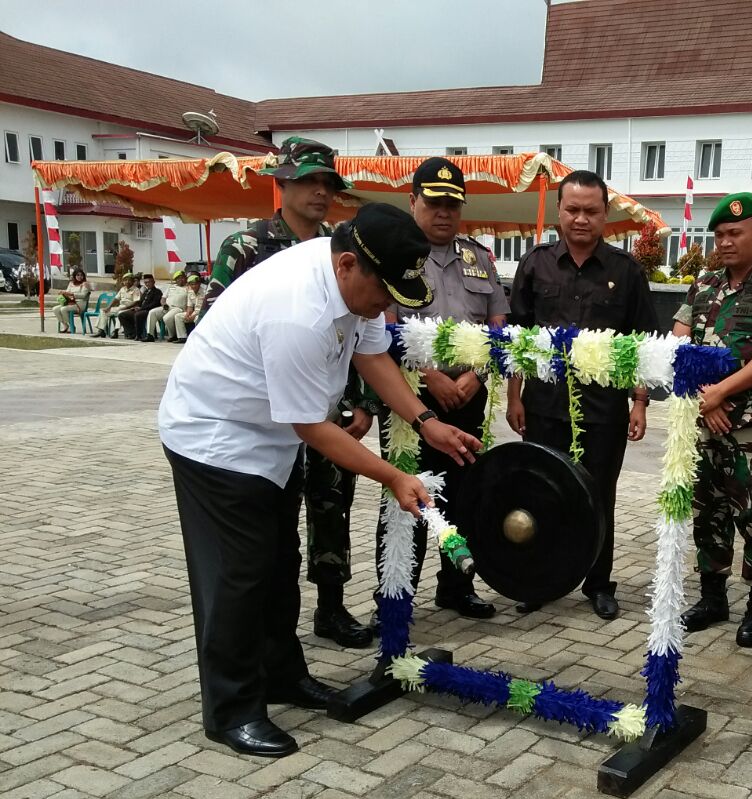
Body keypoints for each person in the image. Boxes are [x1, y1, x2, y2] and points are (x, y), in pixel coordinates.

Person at [158, 203, 482, 758]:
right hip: (216, 439)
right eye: (382, 293)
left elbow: (373, 354)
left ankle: (282, 676)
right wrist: (394, 476)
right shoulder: (297, 310)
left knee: (278, 563)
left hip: (270, 441)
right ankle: (231, 709)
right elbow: (311, 425)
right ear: (348, 265)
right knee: (237, 575)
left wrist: (425, 423)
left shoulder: (360, 280)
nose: (385, 305)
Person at [202, 136, 375, 648]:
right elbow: (214, 324)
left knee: (331, 504)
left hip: (330, 409)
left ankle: (331, 606)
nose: (320, 193)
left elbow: (359, 332)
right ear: (282, 183)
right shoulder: (247, 247)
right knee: (270, 525)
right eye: (309, 181)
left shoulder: (342, 247)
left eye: (328, 184)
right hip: (267, 414)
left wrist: (361, 400)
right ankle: (269, 631)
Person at [506, 169, 659, 620]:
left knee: (598, 496)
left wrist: (639, 401)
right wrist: (514, 397)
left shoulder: (626, 271)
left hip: (603, 409)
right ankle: (541, 579)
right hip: (544, 405)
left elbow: (643, 345)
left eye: (590, 211)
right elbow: (518, 338)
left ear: (605, 214)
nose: (580, 219)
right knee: (541, 491)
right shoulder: (535, 264)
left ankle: (598, 583)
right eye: (572, 209)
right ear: (559, 211)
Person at [369, 157, 508, 623]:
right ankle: (395, 594)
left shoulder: (480, 258)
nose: (444, 212)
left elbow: (497, 328)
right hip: (411, 395)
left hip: (469, 394)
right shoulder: (392, 253)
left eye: (453, 203)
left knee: (465, 495)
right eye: (434, 202)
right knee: (405, 495)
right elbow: (383, 327)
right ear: (413, 202)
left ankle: (456, 587)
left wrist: (475, 375)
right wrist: (431, 376)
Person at [673, 193, 752, 648]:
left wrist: (722, 393)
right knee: (707, 511)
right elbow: (678, 345)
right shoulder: (703, 286)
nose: (725, 243)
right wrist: (706, 398)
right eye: (720, 235)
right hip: (706, 423)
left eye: (735, 233)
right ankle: (712, 599)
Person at [143, 270, 186, 342]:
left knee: (167, 318)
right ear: (175, 280)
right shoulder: (171, 287)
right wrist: (164, 304)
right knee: (152, 312)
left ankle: (173, 335)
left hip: (178, 308)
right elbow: (163, 299)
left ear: (185, 278)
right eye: (178, 278)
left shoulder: (188, 288)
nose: (180, 280)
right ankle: (150, 335)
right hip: (167, 307)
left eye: (182, 278)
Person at [97, 272, 139, 339]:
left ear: (133, 281)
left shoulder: (136, 290)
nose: (127, 282)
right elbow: (116, 299)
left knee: (120, 313)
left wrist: (126, 307)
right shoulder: (122, 289)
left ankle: (116, 331)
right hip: (121, 307)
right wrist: (108, 307)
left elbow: (136, 302)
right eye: (125, 280)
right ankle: (101, 330)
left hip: (130, 308)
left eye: (129, 280)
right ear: (123, 281)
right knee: (103, 311)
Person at [118, 274, 160, 340]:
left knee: (137, 315)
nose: (147, 284)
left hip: (149, 310)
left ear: (153, 282)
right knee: (122, 315)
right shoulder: (146, 292)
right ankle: (131, 333)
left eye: (149, 282)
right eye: (146, 282)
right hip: (141, 309)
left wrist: (141, 308)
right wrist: (136, 307)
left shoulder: (157, 292)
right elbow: (140, 302)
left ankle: (138, 335)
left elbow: (154, 304)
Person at [54, 267, 91, 333]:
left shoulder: (85, 284)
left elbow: (83, 295)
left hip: (80, 304)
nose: (80, 277)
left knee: (63, 309)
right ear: (74, 276)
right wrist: (63, 293)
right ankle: (65, 325)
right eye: (78, 275)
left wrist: (72, 294)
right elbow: (67, 292)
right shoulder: (71, 284)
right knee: (55, 309)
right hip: (70, 303)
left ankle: (72, 327)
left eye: (81, 275)